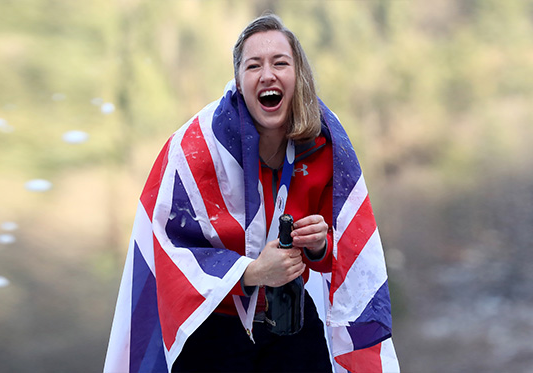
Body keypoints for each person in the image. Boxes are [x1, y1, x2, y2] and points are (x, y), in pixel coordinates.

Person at [104, 14, 398, 373]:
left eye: (280, 63)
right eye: (254, 65)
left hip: (288, 316)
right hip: (213, 326)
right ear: (239, 83)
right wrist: (252, 271)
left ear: (298, 76)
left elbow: (344, 254)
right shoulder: (198, 147)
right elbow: (166, 250)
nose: (268, 74)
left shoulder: (324, 142)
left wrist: (319, 244)